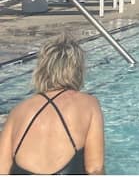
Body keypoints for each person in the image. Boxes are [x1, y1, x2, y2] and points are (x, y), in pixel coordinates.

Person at [0, 33, 105, 175]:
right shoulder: (89, 104)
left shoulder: (18, 111)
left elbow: (2, 169)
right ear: (77, 71)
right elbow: (95, 169)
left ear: (42, 70)